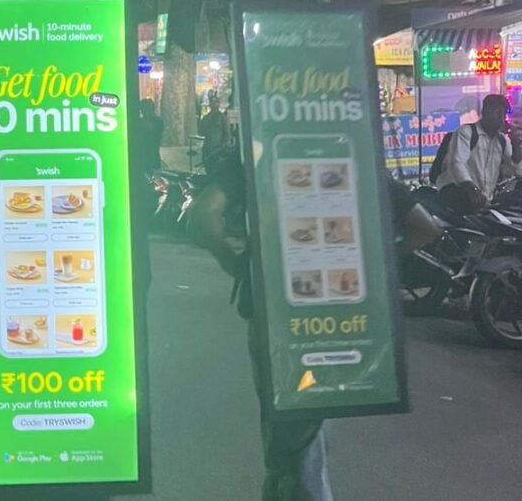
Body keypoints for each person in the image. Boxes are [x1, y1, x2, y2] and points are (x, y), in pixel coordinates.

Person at [186, 148, 438, 501]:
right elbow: (423, 228)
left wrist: (239, 264)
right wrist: (372, 263)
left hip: (276, 315)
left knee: (297, 443)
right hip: (341, 319)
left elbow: (202, 216)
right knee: (300, 436)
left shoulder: (259, 156)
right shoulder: (355, 156)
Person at [437, 94, 522, 214]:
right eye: (497, 112)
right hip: (458, 193)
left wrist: (516, 144)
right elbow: (457, 163)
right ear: (485, 112)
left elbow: (514, 171)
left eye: (503, 114)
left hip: (483, 201)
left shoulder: (502, 141)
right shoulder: (466, 132)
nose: (500, 118)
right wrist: (471, 188)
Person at [198, 91, 228, 160]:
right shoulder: (206, 118)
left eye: (215, 102)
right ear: (209, 104)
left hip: (218, 149)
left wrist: (223, 147)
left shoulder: (222, 117)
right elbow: (200, 132)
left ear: (218, 104)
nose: (214, 104)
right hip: (207, 148)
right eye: (212, 102)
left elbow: (227, 134)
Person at [139, 98, 163, 173]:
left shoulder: (158, 122)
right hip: (141, 155)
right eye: (143, 109)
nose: (144, 112)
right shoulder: (138, 122)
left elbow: (156, 136)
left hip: (153, 155)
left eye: (147, 109)